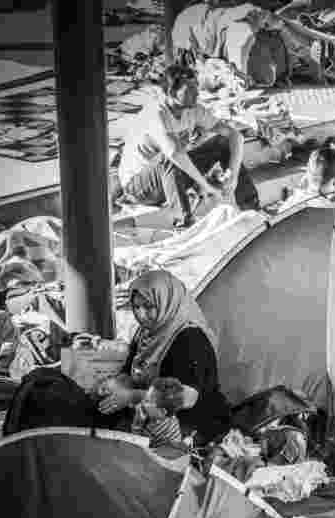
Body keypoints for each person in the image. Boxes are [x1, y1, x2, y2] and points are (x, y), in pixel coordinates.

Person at [97, 270, 232, 445]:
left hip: (194, 421)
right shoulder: (146, 333)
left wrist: (130, 397)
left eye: (149, 307)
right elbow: (131, 373)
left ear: (167, 302)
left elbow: (186, 398)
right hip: (155, 412)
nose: (141, 315)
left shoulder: (190, 338)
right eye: (136, 307)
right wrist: (114, 385)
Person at [117, 64, 260, 228]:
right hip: (140, 187)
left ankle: (252, 210)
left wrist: (233, 175)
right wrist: (207, 187)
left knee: (221, 142)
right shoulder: (156, 114)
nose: (197, 93)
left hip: (171, 177)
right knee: (170, 158)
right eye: (190, 89)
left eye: (196, 87)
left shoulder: (194, 110)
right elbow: (176, 155)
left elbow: (235, 136)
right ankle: (184, 223)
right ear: (171, 93)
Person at [129, 376, 192, 449]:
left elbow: (137, 443)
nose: (142, 402)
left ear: (162, 412)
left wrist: (137, 423)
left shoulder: (158, 428)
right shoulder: (164, 417)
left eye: (147, 401)